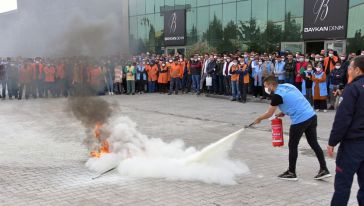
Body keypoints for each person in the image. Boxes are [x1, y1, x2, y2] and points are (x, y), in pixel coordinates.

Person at [254, 76, 330, 181]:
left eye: (266, 85)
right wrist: (284, 112)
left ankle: (291, 172)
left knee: (292, 145)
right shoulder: (288, 86)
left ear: (271, 84)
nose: (265, 88)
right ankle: (324, 169)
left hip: (300, 120)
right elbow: (295, 99)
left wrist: (259, 119)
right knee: (314, 143)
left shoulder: (277, 96)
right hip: (311, 116)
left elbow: (269, 113)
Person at [328, 56, 364, 206]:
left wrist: (332, 142)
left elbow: (343, 119)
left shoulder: (353, 89)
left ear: (357, 69)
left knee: (343, 185)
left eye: (349, 68)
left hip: (352, 145)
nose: (348, 71)